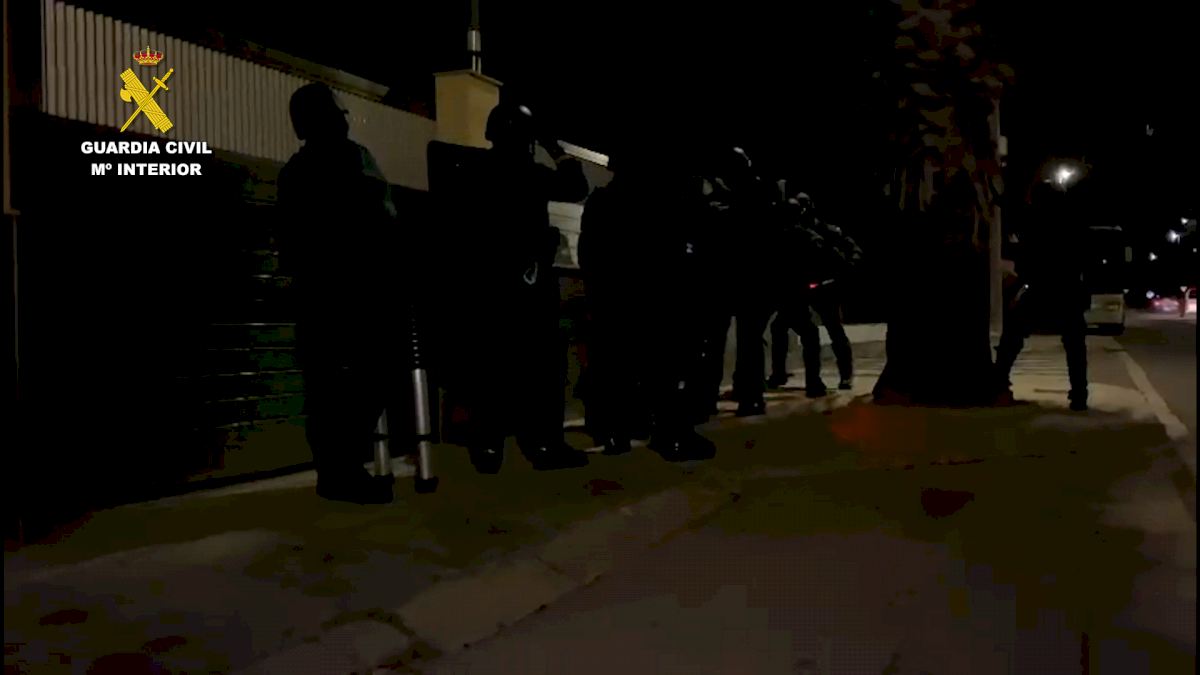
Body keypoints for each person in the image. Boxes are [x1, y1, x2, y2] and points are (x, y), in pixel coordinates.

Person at [444, 101, 591, 473]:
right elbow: (577, 186)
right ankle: (543, 443)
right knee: (542, 368)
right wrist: (556, 149)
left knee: (490, 366)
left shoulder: (471, 170)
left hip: (485, 289)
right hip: (529, 283)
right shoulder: (531, 173)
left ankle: (488, 446)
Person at [276, 82, 401, 504]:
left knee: (335, 387)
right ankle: (342, 473)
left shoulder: (300, 170)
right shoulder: (347, 161)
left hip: (330, 295)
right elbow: (383, 222)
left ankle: (338, 472)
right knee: (355, 382)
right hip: (346, 294)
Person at [578, 141, 717, 461]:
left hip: (614, 297)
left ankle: (615, 431)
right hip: (654, 298)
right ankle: (669, 433)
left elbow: (590, 253)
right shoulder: (660, 202)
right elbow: (675, 254)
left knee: (615, 365)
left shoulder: (602, 201)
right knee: (663, 364)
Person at [993, 179, 1089, 410]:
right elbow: (1083, 259)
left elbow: (1027, 257)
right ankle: (1079, 394)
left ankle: (998, 381)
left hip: (1043, 289)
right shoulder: (1071, 223)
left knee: (1013, 335)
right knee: (1075, 345)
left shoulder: (1035, 221)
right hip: (1066, 290)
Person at [698, 146, 778, 417]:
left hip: (740, 278)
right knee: (741, 342)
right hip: (740, 279)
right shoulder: (750, 193)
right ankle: (745, 396)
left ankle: (733, 396)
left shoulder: (753, 194)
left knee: (731, 342)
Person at [768, 192, 861, 394]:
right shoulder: (790, 234)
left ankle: (844, 374)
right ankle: (780, 374)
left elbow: (848, 253)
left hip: (823, 287)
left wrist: (842, 273)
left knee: (833, 330)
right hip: (799, 289)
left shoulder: (823, 232)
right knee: (782, 328)